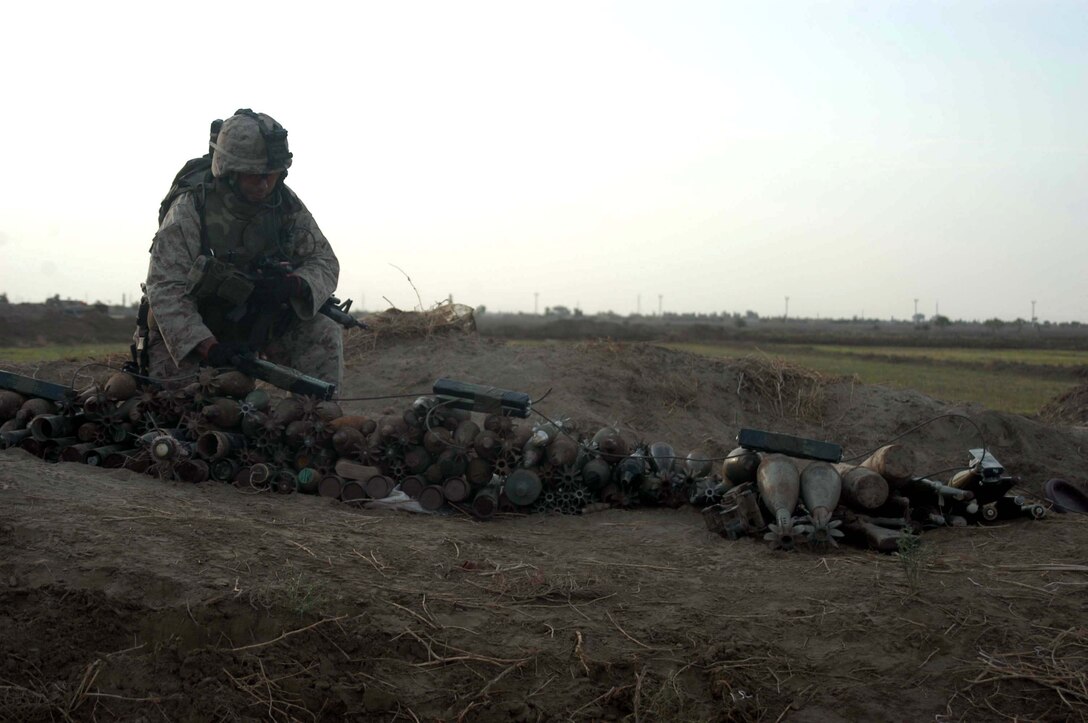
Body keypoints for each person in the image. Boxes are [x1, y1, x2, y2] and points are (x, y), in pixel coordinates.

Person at [137, 109, 343, 388]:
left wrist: (294, 285)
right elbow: (165, 288)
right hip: (193, 331)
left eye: (272, 175)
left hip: (257, 324)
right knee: (179, 407)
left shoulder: (284, 203)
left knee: (324, 334)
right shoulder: (190, 208)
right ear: (230, 171)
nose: (264, 184)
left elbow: (323, 260)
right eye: (255, 175)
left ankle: (314, 421)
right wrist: (209, 347)